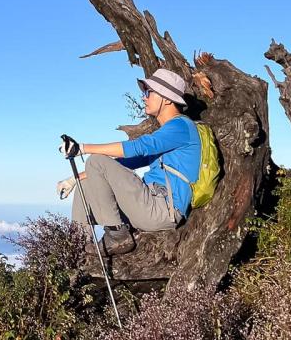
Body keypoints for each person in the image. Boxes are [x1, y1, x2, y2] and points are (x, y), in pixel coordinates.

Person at [56, 68, 201, 253]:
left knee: (95, 160)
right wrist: (74, 179)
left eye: (148, 92)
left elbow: (136, 148)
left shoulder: (181, 127)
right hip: (148, 204)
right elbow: (122, 164)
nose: (144, 97)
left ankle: (117, 236)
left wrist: (82, 148)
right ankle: (77, 249)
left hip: (162, 209)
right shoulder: (168, 133)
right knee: (84, 184)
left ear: (166, 98)